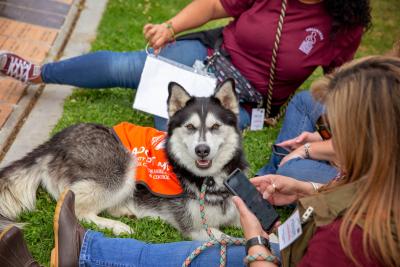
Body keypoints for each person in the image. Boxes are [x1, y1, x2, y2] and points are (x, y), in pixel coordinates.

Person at [2, 53, 400, 267]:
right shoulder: (378, 188)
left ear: (373, 143)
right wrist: (310, 186)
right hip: (94, 149)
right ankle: (92, 220)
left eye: (331, 131)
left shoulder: (353, 241)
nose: (321, 139)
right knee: (124, 177)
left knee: (226, 246)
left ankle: (86, 251)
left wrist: (259, 245)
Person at [0, 0, 371, 130]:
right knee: (125, 68)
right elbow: (214, 7)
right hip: (210, 55)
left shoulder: (343, 23)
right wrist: (170, 27)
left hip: (245, 97)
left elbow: (337, 80)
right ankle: (37, 72)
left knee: (182, 125)